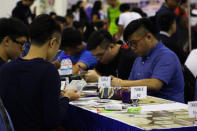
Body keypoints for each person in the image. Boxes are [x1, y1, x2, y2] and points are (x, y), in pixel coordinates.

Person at [0, 14, 80, 130]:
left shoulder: (5, 69)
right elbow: (52, 120)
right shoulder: (48, 71)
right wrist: (66, 98)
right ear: (52, 42)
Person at [111, 18, 184, 103]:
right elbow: (130, 84)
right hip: (144, 106)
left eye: (134, 43)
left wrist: (121, 83)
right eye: (129, 44)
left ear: (148, 37)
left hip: (169, 110)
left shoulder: (167, 56)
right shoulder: (139, 58)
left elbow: (155, 84)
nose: (131, 48)